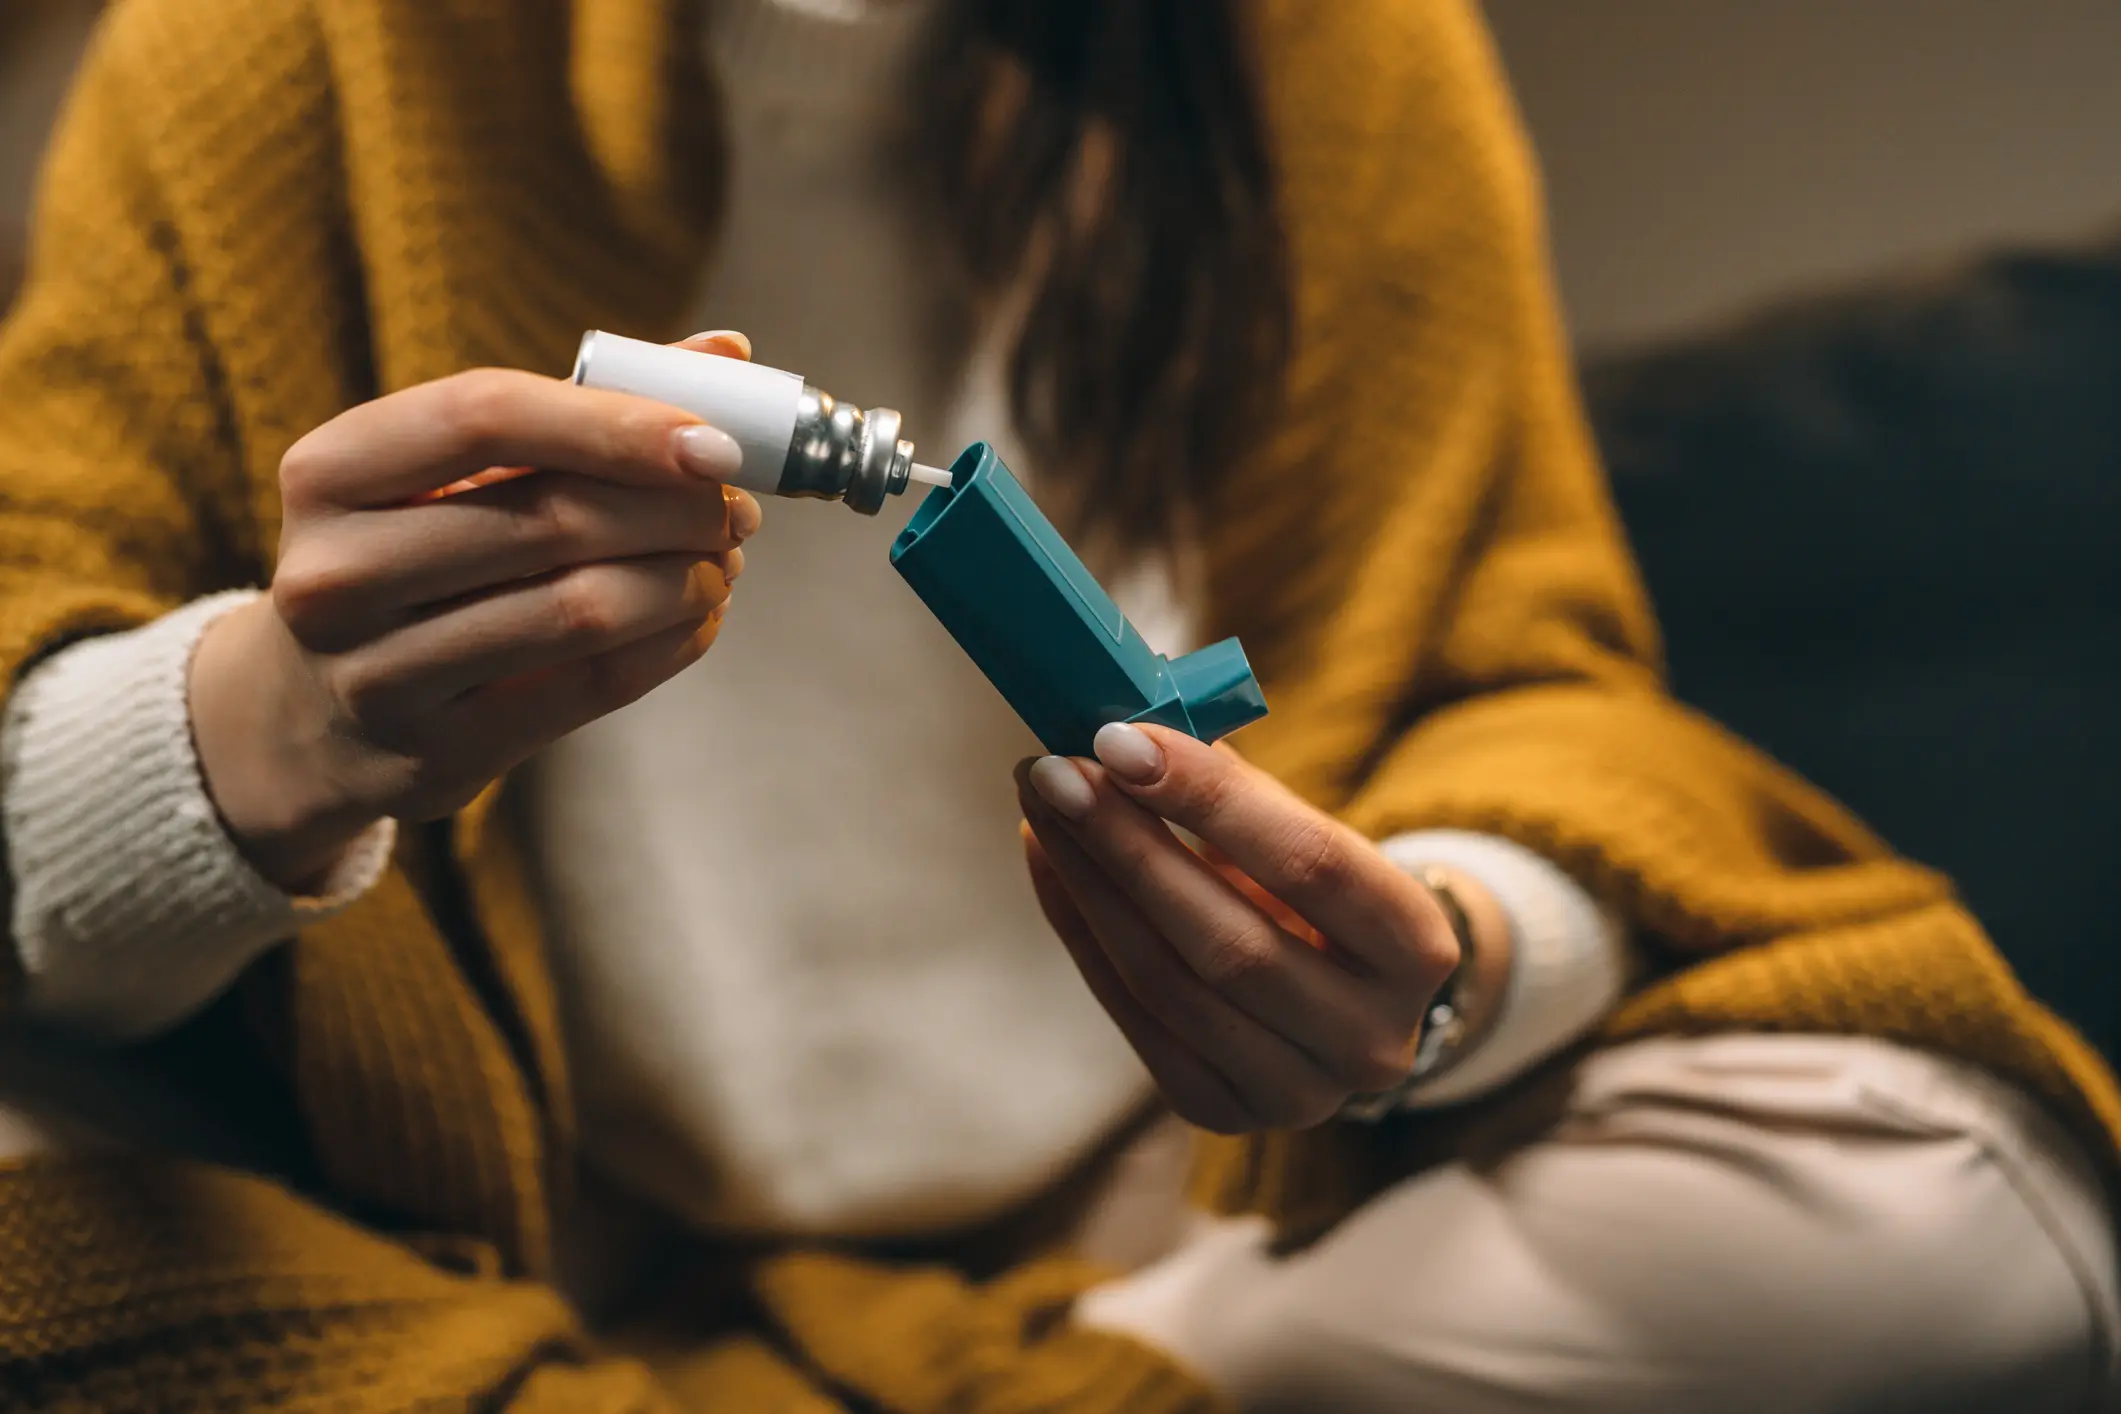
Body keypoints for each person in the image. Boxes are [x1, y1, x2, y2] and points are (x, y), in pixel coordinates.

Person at [0, 0, 2113, 1409]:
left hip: (1157, 1220)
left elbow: (1517, 676)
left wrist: (1431, 973)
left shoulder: (1335, 59)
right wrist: (268, 728)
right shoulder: (270, 53)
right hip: (494, 1223)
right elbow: (43, 871)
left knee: (1953, 1193)